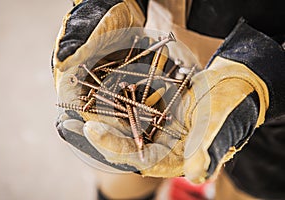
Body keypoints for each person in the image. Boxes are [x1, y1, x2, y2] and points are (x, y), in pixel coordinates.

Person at [52, 0, 285, 199]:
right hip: (154, 55)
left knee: (253, 187)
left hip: (271, 102)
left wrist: (264, 73)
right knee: (123, 164)